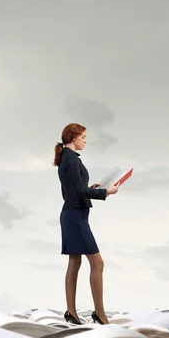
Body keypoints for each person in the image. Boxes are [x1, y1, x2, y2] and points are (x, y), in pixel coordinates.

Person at [52, 123, 120, 325]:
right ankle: (100, 314)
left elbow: (75, 189)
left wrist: (91, 188)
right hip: (75, 217)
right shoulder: (71, 158)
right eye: (83, 137)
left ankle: (71, 313)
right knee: (97, 263)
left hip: (73, 213)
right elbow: (77, 192)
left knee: (75, 262)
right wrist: (105, 192)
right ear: (73, 138)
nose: (85, 140)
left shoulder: (67, 157)